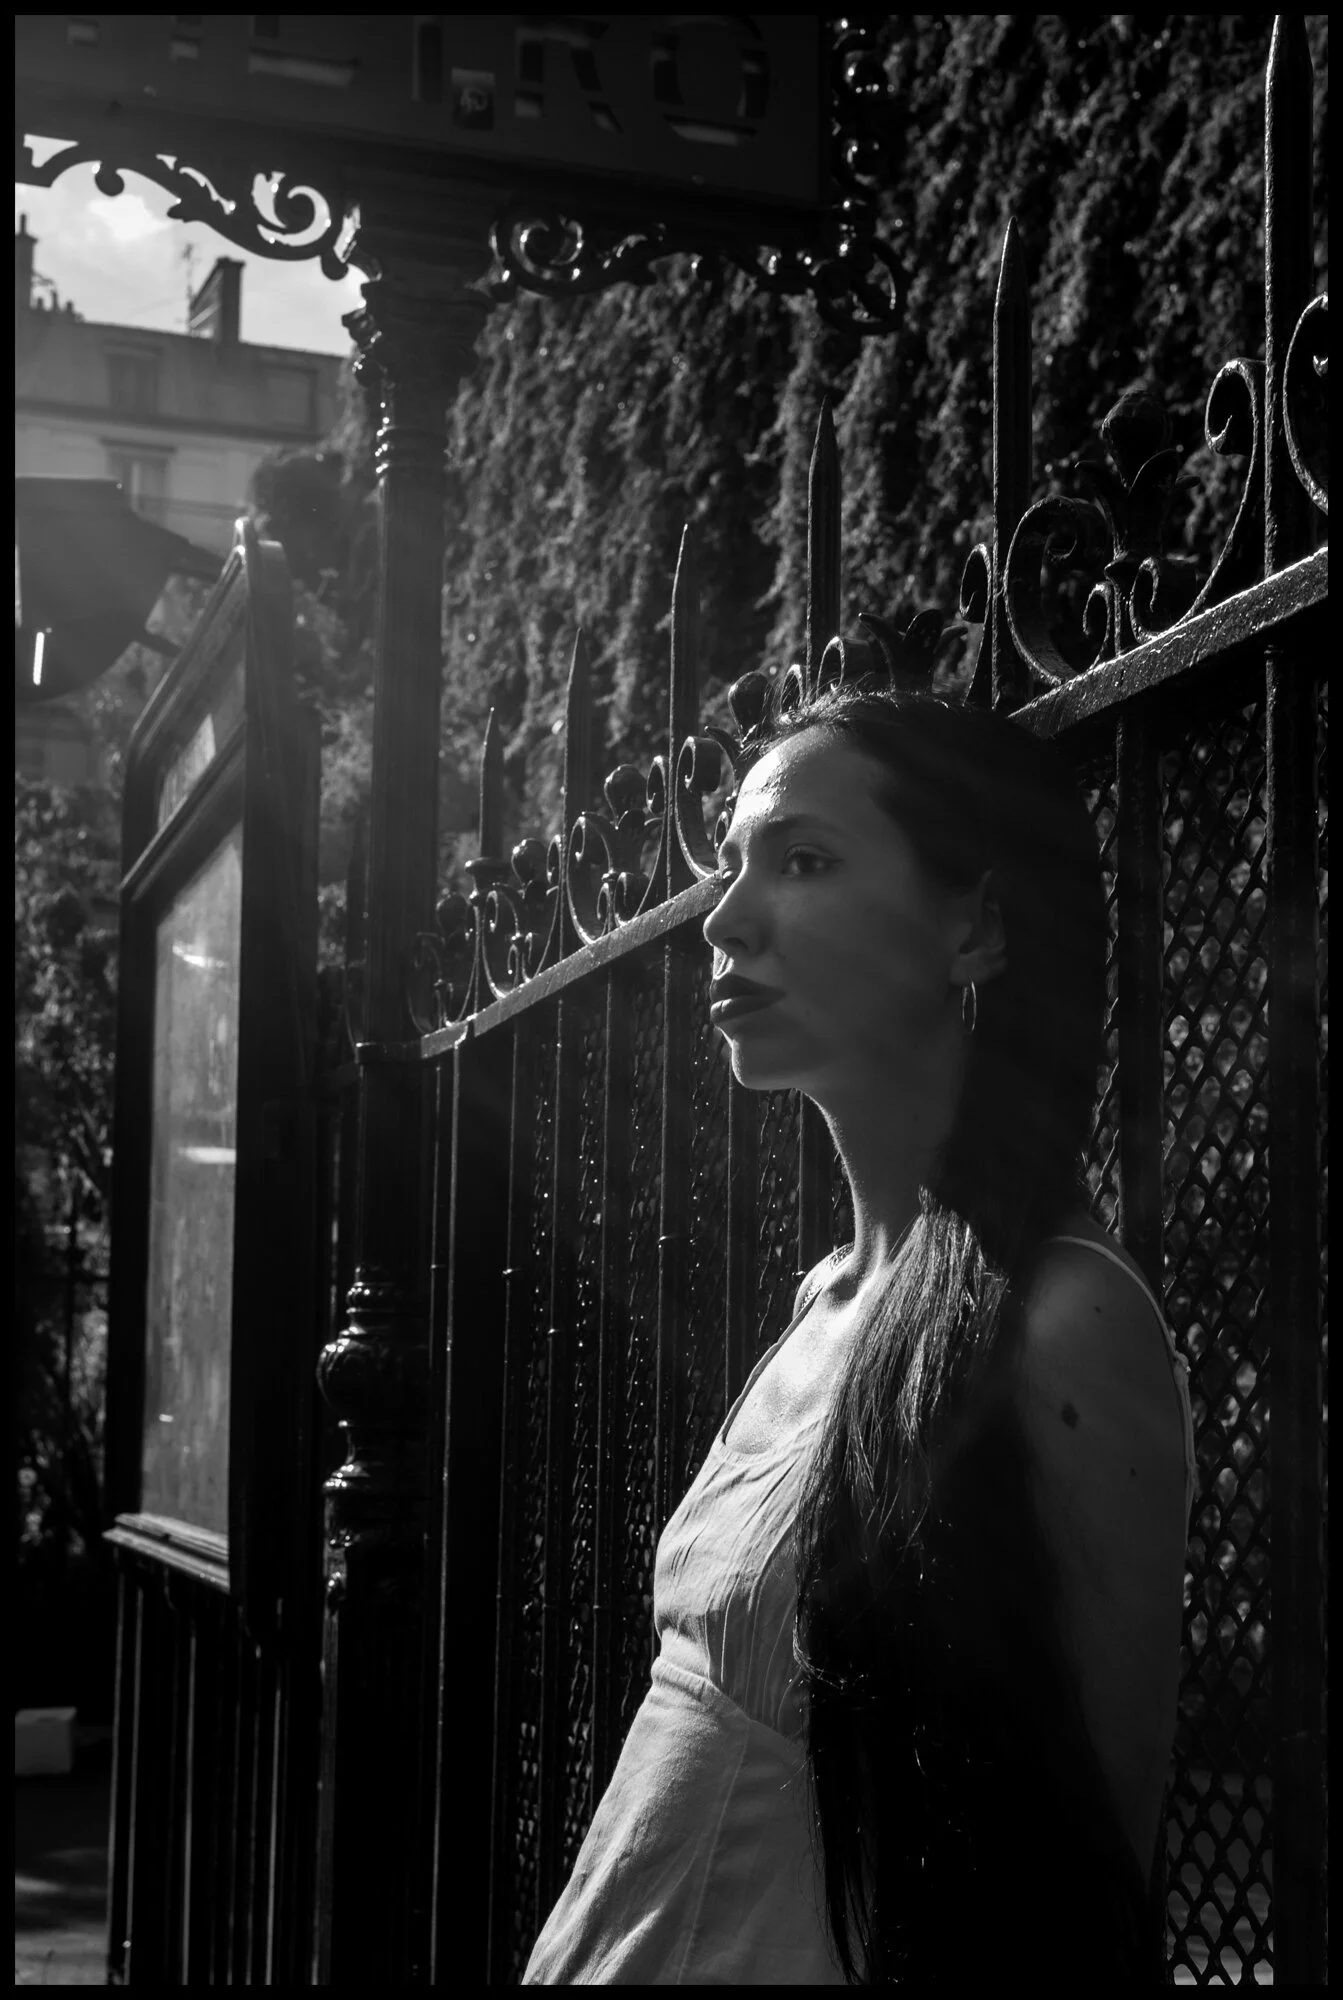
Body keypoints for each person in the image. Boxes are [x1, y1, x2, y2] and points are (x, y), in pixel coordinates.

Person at [523, 671, 1197, 1986]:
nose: (725, 919)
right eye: (733, 867)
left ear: (974, 932)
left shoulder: (1061, 1326)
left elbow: (1084, 1899)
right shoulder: (827, 1302)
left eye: (804, 860)